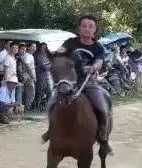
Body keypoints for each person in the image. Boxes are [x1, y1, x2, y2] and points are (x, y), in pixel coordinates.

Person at [42, 15, 113, 157]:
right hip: (69, 82)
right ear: (79, 28)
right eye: (84, 25)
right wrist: (52, 56)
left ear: (95, 30)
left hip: (88, 82)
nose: (87, 29)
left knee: (102, 109)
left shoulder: (98, 47)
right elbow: (60, 54)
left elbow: (99, 62)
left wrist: (93, 67)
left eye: (90, 26)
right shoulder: (70, 43)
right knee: (51, 104)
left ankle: (103, 139)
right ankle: (51, 130)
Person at [18, 42, 37, 112]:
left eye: (35, 47)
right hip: (28, 77)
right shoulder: (27, 56)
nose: (34, 48)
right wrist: (33, 77)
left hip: (29, 77)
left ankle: (25, 108)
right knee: (31, 94)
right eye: (33, 46)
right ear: (28, 47)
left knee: (28, 93)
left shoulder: (30, 56)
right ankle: (26, 108)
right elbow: (28, 67)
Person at [34, 42, 52, 110]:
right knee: (40, 90)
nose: (43, 49)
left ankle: (45, 105)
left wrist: (49, 64)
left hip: (46, 75)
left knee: (49, 91)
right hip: (40, 75)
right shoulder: (38, 55)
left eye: (45, 47)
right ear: (40, 48)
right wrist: (50, 65)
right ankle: (37, 106)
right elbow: (44, 66)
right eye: (42, 47)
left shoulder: (46, 55)